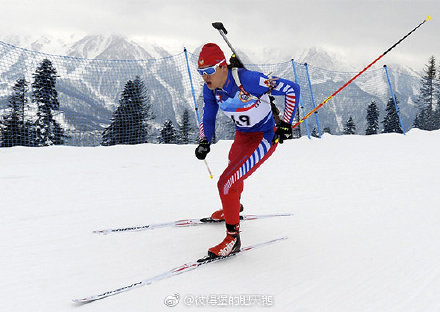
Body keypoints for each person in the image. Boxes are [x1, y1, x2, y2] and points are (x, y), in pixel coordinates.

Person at [195, 43, 300, 258]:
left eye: (209, 71)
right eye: (201, 72)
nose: (205, 77)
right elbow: (208, 115)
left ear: (223, 66)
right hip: (243, 136)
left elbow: (291, 89)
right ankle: (233, 208)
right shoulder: (211, 89)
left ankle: (232, 239)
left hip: (264, 137)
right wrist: (204, 140)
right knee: (233, 171)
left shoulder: (248, 80)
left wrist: (286, 124)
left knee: (226, 181)